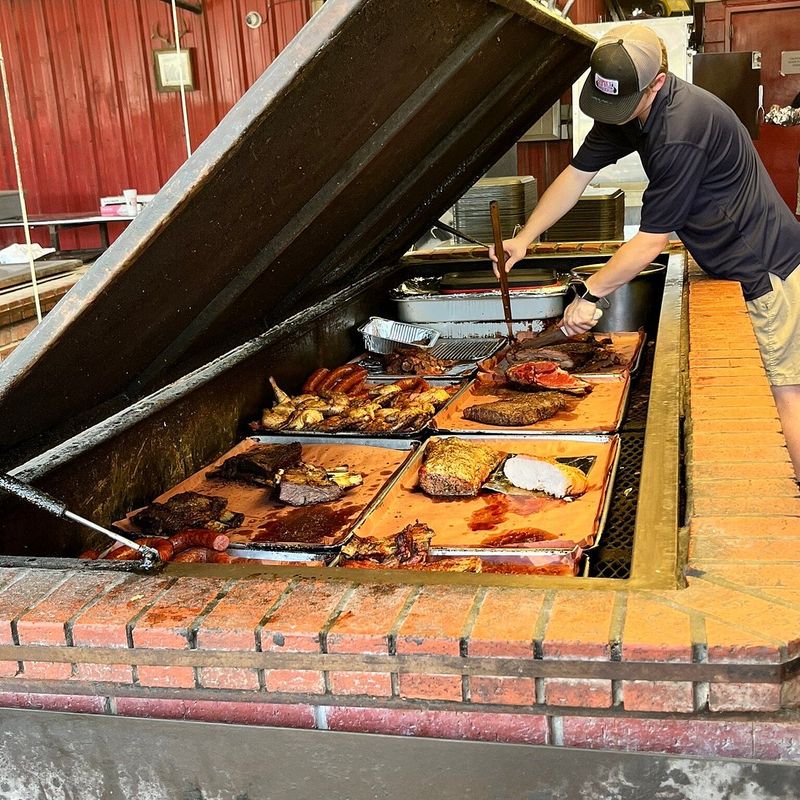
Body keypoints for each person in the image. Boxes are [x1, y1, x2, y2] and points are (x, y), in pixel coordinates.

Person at [491, 24, 800, 478]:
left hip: (765, 267)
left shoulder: (681, 127)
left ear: (656, 81)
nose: (611, 114)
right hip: (734, 263)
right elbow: (576, 176)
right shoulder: (628, 111)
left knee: (785, 393)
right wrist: (525, 236)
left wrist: (590, 296)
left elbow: (651, 241)